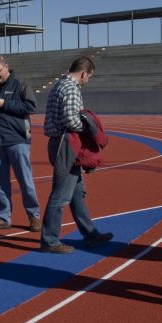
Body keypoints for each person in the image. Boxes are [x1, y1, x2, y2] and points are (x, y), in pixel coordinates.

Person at [39, 55, 113, 253]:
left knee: (76, 193)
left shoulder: (59, 85)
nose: (87, 80)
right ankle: (49, 240)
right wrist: (90, 128)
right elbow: (72, 121)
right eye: (89, 76)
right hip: (65, 145)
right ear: (83, 73)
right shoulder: (71, 88)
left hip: (61, 143)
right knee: (60, 195)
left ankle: (90, 234)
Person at [0, 55, 41, 232]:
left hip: (17, 140)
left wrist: (5, 104)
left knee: (25, 180)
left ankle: (34, 216)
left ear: (6, 67)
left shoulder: (20, 83)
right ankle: (3, 217)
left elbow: (30, 107)